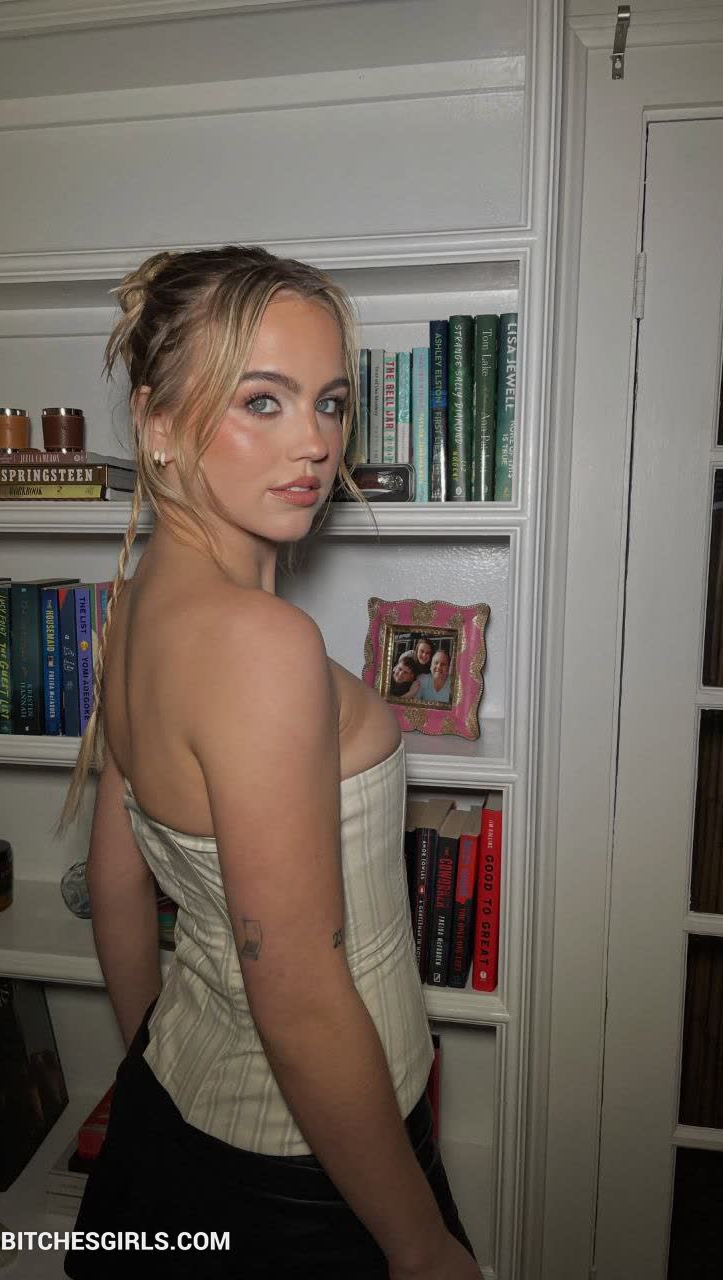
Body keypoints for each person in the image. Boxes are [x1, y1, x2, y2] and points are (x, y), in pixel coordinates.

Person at [57, 245, 481, 1280]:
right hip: (312, 1174)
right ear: (158, 424)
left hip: (180, 1114)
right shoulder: (261, 645)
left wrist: (154, 1067)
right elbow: (296, 992)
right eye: (264, 401)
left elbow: (117, 883)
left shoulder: (135, 608)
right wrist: (419, 1246)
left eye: (330, 402)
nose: (316, 443)